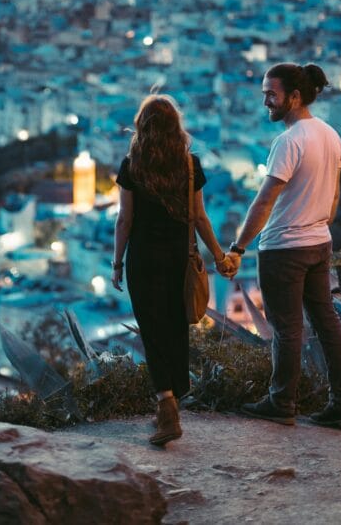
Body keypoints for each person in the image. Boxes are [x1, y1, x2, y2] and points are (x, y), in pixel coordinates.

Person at [224, 63, 341, 427]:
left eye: (272, 94)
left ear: (295, 96)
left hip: (284, 247)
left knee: (286, 328)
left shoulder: (289, 141)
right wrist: (315, 224)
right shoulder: (330, 135)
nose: (266, 101)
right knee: (328, 321)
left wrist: (238, 247)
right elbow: (333, 200)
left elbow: (264, 201)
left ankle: (281, 402)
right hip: (318, 242)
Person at [112, 95, 234, 446]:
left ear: (142, 127)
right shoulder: (190, 165)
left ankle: (166, 405)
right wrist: (219, 255)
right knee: (176, 327)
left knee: (152, 331)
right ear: (175, 128)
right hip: (179, 259)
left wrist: (117, 263)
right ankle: (173, 401)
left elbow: (125, 220)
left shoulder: (132, 165)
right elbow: (199, 218)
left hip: (143, 260)